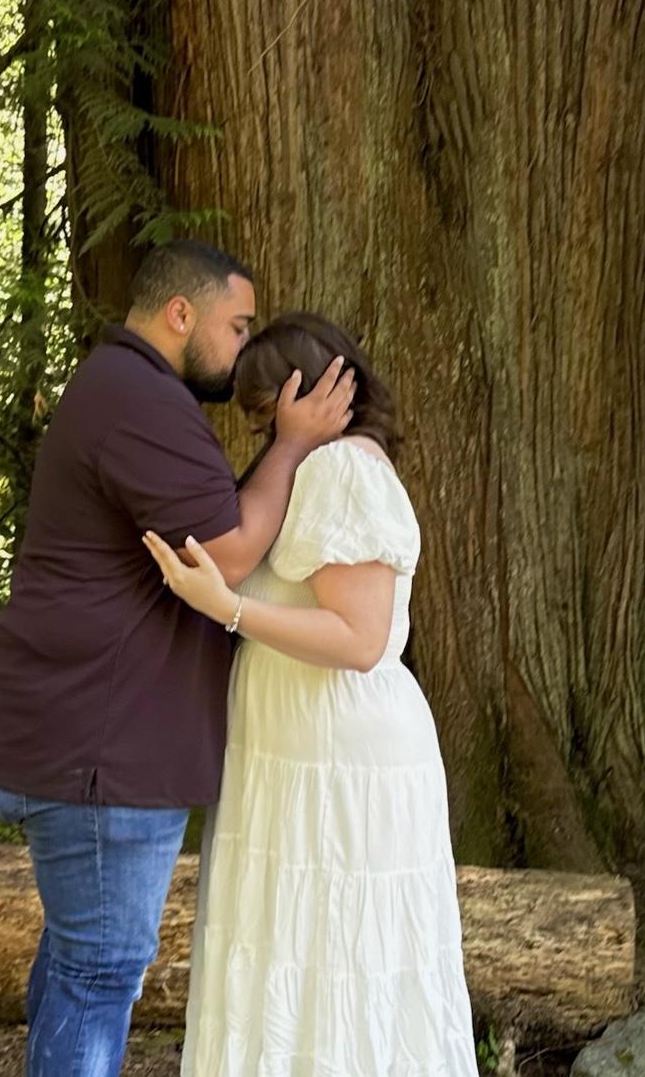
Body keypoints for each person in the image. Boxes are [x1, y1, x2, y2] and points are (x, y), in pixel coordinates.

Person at [0, 246, 356, 1077]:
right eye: (238, 326)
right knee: (98, 974)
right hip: (102, 752)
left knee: (78, 963)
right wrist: (293, 445)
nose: (245, 348)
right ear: (180, 314)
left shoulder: (120, 387)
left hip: (81, 736)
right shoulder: (140, 400)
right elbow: (226, 554)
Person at [143, 311, 477, 1076]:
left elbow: (359, 639)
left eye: (265, 408)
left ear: (309, 388)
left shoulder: (342, 471)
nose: (259, 427)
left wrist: (226, 608)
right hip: (294, 747)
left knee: (330, 955)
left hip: (334, 753)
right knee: (291, 948)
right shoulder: (312, 468)